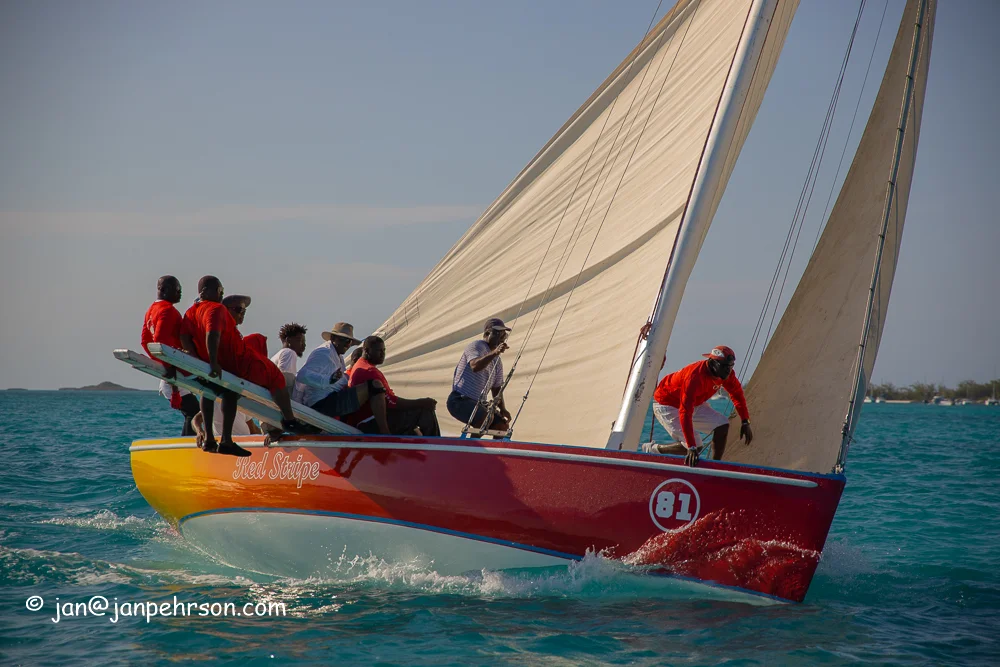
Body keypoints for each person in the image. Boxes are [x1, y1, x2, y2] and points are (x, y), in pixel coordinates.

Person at [179, 276, 307, 456]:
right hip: (237, 362)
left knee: (220, 390)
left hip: (221, 364)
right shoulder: (215, 309)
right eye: (220, 290)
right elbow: (212, 334)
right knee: (276, 377)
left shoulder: (190, 312)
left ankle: (215, 440)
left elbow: (184, 337)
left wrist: (198, 360)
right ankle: (289, 420)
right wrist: (213, 362)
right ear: (209, 291)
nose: (221, 294)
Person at [646, 345, 753, 467]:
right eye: (724, 366)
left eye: (730, 366)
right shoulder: (694, 377)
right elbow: (685, 412)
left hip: (695, 403)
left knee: (722, 425)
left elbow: (738, 396)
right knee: (695, 446)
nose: (728, 370)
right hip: (667, 404)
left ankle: (714, 467)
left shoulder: (727, 375)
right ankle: (654, 449)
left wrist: (745, 421)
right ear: (713, 363)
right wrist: (691, 446)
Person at [295, 323, 390, 433]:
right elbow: (302, 375)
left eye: (349, 341)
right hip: (321, 404)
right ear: (333, 338)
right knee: (374, 386)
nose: (347, 344)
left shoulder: (337, 355)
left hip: (329, 400)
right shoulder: (324, 353)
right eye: (343, 340)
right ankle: (386, 433)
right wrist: (328, 381)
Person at [346, 335, 441, 437]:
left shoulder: (361, 366)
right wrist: (421, 402)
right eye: (379, 351)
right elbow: (391, 402)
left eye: (384, 350)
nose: (383, 354)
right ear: (367, 350)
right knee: (424, 411)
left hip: (367, 420)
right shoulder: (369, 371)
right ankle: (437, 446)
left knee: (413, 428)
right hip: (369, 423)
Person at [141, 275, 199, 436]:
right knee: (194, 413)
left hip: (171, 373)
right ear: (163, 290)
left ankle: (189, 445)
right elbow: (160, 342)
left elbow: (145, 341)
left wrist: (161, 365)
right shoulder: (167, 311)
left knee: (193, 412)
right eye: (177, 289)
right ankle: (187, 448)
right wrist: (169, 368)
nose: (180, 293)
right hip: (174, 376)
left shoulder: (151, 310)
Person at [447, 317, 512, 435]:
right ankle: (471, 448)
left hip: (477, 404)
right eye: (498, 333)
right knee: (486, 417)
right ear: (487, 333)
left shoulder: (497, 361)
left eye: (504, 334)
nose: (502, 337)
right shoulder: (477, 346)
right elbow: (475, 366)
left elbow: (496, 389)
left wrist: (503, 409)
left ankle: (492, 452)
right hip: (459, 401)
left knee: (502, 426)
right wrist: (495, 352)